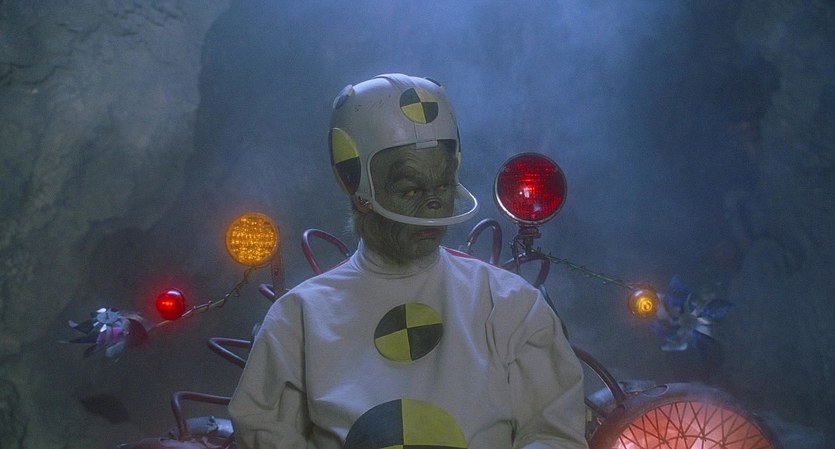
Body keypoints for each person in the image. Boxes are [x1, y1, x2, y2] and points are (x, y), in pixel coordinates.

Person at [228, 73, 588, 449]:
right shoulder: (298, 320)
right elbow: (266, 431)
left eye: (444, 184)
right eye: (411, 189)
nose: (434, 204)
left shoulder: (510, 304)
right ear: (358, 190)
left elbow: (552, 433)